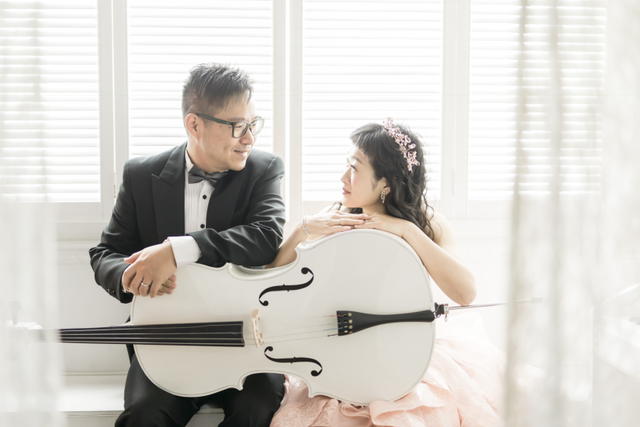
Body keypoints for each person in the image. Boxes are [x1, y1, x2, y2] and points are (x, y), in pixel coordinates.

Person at [268, 120, 503, 426]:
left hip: (409, 351)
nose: (343, 177)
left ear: (386, 183)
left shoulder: (426, 223)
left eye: (354, 168)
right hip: (342, 351)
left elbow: (466, 293)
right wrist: (302, 230)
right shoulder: (335, 216)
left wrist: (407, 230)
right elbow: (272, 281)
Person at [89, 64, 286, 427]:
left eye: (253, 124)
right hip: (165, 339)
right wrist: (133, 275)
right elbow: (105, 255)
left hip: (245, 339)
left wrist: (178, 250)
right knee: (144, 416)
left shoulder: (265, 169)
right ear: (195, 124)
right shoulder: (140, 175)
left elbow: (266, 237)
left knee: (259, 409)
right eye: (237, 126)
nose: (249, 138)